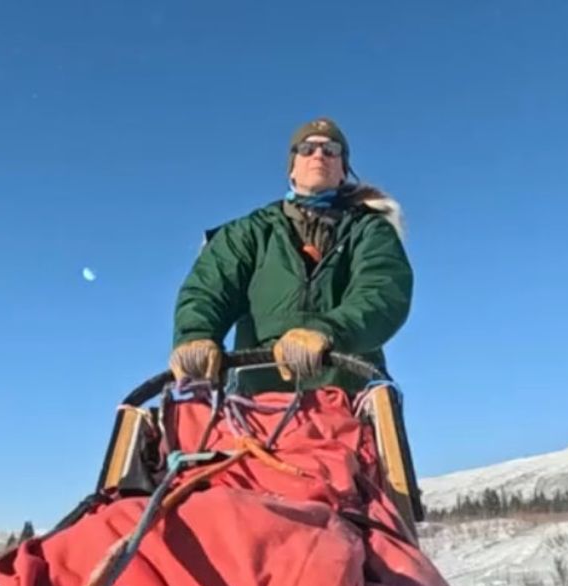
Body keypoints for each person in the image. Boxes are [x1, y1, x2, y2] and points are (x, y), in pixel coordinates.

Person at [168, 117, 412, 394]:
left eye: (331, 150)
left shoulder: (369, 230)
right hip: (257, 398)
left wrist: (328, 331)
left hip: (349, 394)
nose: (319, 155)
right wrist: (196, 335)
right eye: (307, 149)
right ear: (291, 169)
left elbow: (383, 292)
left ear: (343, 170)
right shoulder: (249, 232)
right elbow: (209, 288)